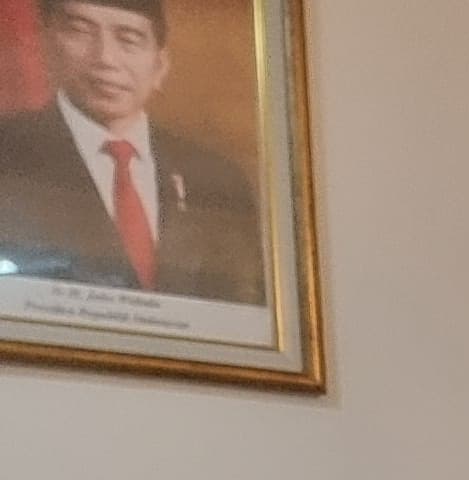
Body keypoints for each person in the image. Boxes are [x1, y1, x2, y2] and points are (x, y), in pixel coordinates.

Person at [0, 0, 268, 303]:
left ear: (160, 65)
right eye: (80, 31)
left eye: (128, 38)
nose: (105, 59)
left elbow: (245, 310)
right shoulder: (8, 153)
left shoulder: (217, 180)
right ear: (45, 45)